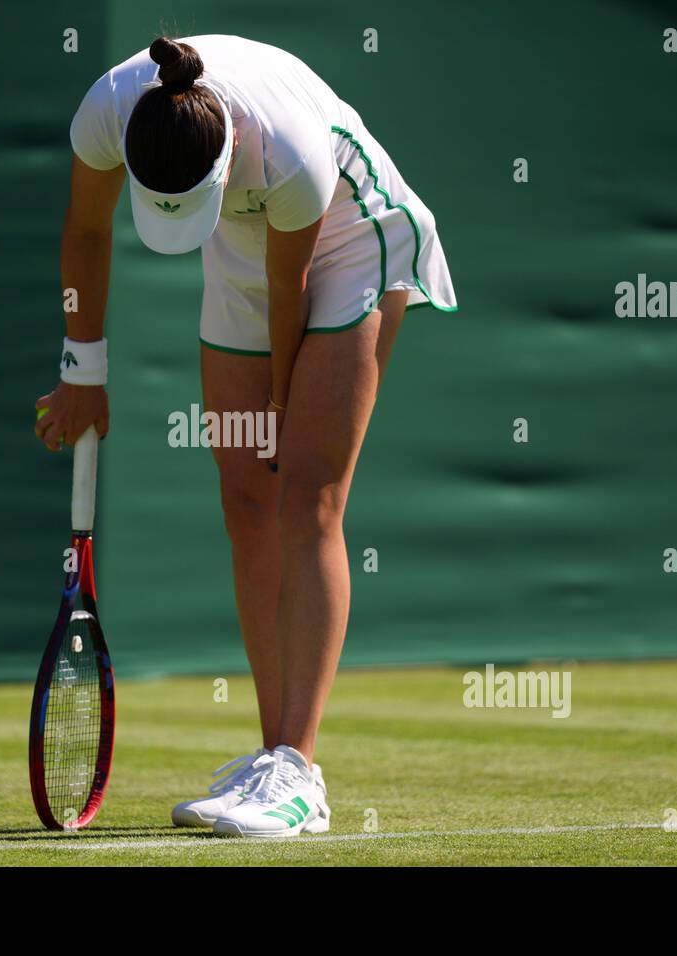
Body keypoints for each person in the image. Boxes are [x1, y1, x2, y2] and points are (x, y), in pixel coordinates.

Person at [35, 34, 456, 837]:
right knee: (245, 503)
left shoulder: (291, 152)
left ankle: (298, 775)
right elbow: (86, 231)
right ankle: (272, 761)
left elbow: (287, 289)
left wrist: (281, 405)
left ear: (224, 161)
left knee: (308, 493)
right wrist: (82, 370)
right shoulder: (106, 111)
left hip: (343, 239)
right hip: (243, 250)